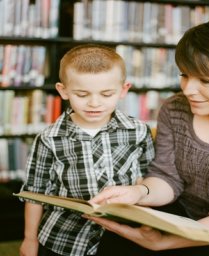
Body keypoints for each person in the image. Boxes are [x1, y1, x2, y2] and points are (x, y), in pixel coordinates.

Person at [86, 16, 209, 256]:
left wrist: (165, 241)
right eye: (184, 75)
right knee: (115, 242)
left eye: (206, 80)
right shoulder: (175, 108)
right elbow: (167, 177)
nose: (188, 90)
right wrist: (138, 192)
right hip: (184, 214)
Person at [19, 44, 155, 256]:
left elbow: (148, 179)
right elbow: (34, 193)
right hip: (65, 238)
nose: (94, 103)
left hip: (124, 235)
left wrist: (149, 223)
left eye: (106, 94)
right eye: (82, 94)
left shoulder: (138, 131)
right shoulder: (49, 139)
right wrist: (29, 239)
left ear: (123, 90)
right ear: (63, 91)